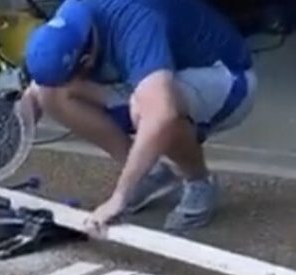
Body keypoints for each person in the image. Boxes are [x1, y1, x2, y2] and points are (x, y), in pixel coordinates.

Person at [20, 0, 257, 235]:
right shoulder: (71, 21)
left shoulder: (137, 24)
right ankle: (151, 175)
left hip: (228, 80)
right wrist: (1, 147)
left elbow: (160, 115)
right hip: (163, 76)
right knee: (49, 93)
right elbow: (36, 91)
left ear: (86, 60)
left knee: (152, 110)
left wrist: (119, 197)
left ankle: (199, 182)